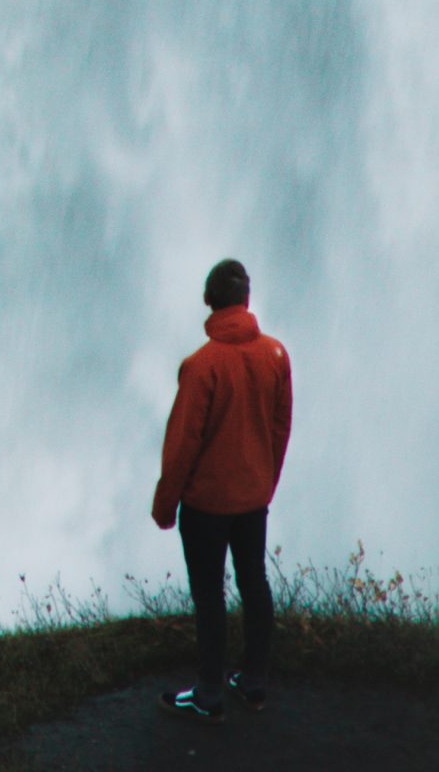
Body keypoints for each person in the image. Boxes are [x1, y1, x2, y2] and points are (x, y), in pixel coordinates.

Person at [150, 257, 292, 719]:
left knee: (209, 594)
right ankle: (254, 682)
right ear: (246, 300)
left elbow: (182, 445)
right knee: (255, 583)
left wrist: (165, 504)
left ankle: (209, 691)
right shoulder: (275, 355)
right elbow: (279, 428)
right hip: (253, 499)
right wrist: (265, 483)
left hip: (207, 504)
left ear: (209, 302)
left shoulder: (201, 365)